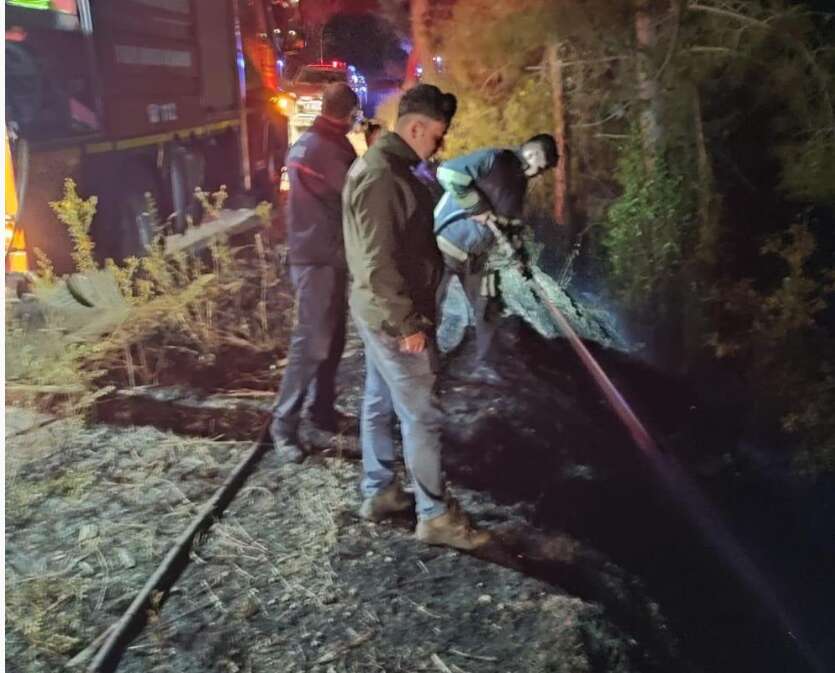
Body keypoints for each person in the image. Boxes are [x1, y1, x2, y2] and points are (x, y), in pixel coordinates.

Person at [342, 84, 490, 550]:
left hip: (379, 310)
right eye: (437, 137)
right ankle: (434, 516)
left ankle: (380, 491)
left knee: (379, 401)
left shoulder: (391, 168)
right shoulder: (383, 177)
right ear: (415, 127)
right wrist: (408, 324)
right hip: (393, 316)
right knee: (422, 414)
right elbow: (376, 262)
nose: (439, 146)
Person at [271, 82, 360, 464]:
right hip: (319, 257)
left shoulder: (309, 142)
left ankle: (321, 410)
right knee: (312, 343)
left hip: (318, 253)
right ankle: (283, 426)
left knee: (333, 336)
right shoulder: (330, 149)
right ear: (350, 111)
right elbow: (354, 195)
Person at [433, 135, 559, 380]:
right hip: (444, 245)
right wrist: (475, 206)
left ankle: (486, 365)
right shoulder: (493, 159)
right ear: (532, 154)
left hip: (477, 257)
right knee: (430, 307)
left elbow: (509, 225)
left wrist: (520, 256)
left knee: (487, 307)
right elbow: (447, 173)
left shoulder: (519, 183)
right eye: (541, 167)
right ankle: (425, 369)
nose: (539, 173)